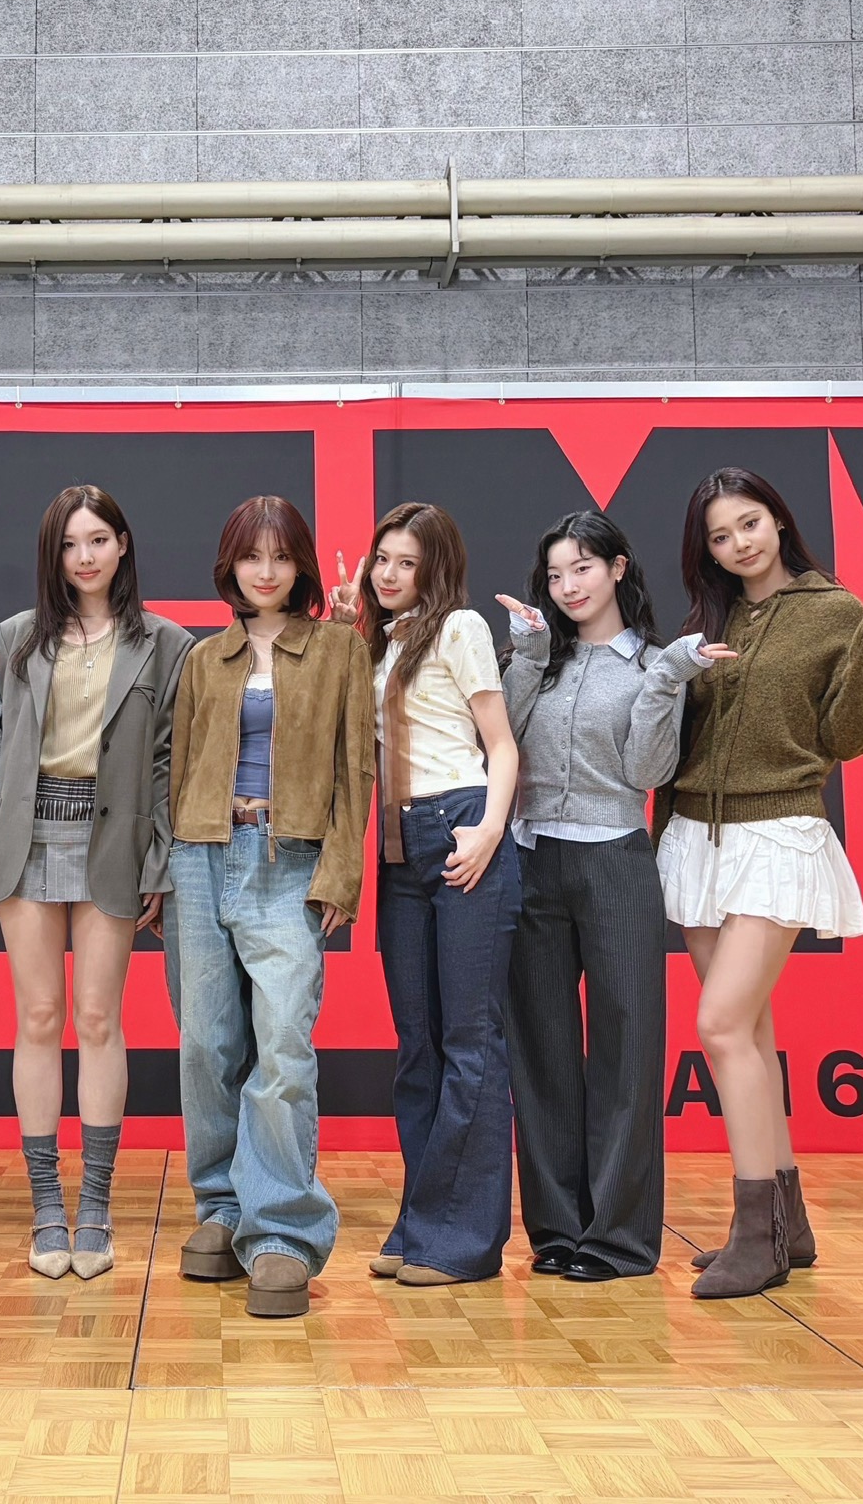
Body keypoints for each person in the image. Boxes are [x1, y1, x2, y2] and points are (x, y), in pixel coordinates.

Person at [659, 467, 863, 1300]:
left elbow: (847, 735)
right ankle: (787, 1219)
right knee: (751, 1031)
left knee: (721, 1025)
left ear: (778, 521)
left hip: (776, 833)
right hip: (697, 836)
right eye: (719, 535)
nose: (738, 543)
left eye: (749, 523)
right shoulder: (711, 619)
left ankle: (758, 1237)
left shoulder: (834, 610)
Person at [496, 511, 720, 1284]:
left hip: (617, 861)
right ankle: (557, 1229)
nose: (568, 586)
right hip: (532, 859)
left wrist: (666, 680)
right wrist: (528, 655)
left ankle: (619, 1239)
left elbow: (648, 771)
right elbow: (498, 742)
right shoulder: (538, 659)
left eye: (583, 568)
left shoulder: (655, 664)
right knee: (543, 1051)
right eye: (555, 574)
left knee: (626, 1050)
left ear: (619, 567)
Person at [165, 495, 373, 1318]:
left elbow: (357, 766)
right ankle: (222, 1208)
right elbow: (181, 767)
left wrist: (341, 873)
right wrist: (167, 870)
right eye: (251, 556)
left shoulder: (337, 648)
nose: (265, 570)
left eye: (281, 556)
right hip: (200, 856)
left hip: (290, 860)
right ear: (230, 565)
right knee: (206, 1045)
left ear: (301, 567)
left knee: (283, 1043)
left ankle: (282, 1229)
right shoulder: (203, 657)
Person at [0, 485, 194, 1280]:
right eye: (70, 544)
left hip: (114, 844)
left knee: (99, 1018)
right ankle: (46, 1206)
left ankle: (95, 1207)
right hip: (26, 841)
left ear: (123, 543)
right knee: (38, 1017)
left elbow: (169, 760)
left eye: (98, 539)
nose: (85, 556)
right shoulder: (16, 637)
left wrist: (159, 859)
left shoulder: (166, 643)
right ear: (54, 555)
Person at [340, 502, 522, 1288]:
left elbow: (501, 745)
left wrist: (487, 830)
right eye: (381, 558)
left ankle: (463, 1240)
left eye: (405, 562)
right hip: (398, 843)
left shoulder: (459, 628)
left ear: (434, 568)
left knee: (469, 1039)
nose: (388, 573)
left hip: (460, 824)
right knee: (417, 1044)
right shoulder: (382, 643)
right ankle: (421, 1223)